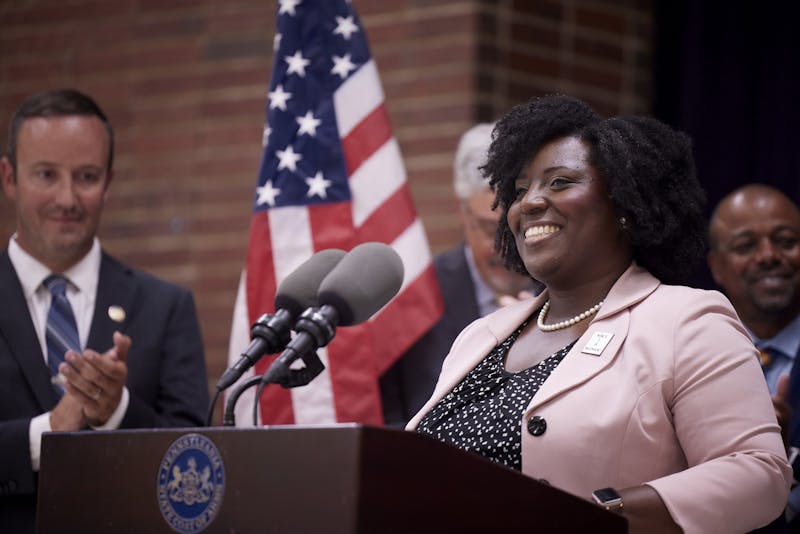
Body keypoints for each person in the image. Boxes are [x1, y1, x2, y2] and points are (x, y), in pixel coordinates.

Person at [406, 95, 792, 533]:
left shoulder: (686, 319)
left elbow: (759, 473)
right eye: (518, 190)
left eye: (559, 182)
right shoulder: (478, 337)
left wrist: (602, 516)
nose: (529, 203)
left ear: (625, 206)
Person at [0, 89, 209, 533]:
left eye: (87, 177)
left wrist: (116, 411)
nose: (68, 198)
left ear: (109, 183)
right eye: (45, 175)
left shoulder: (165, 306)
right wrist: (49, 430)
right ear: (9, 178)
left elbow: (198, 458)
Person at [380, 123, 535, 426]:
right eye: (492, 229)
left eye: (518, 226)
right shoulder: (416, 295)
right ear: (461, 212)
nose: (507, 248)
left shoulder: (563, 293)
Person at [707, 184, 800, 532]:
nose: (768, 256)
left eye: (786, 241)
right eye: (746, 246)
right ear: (716, 267)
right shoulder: (684, 355)